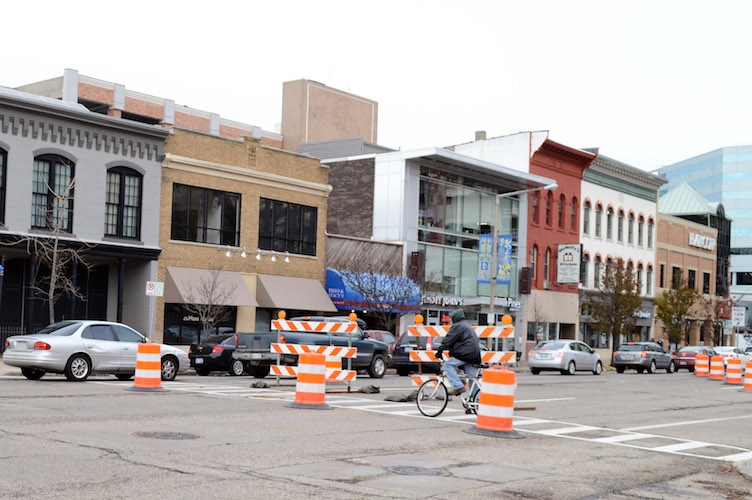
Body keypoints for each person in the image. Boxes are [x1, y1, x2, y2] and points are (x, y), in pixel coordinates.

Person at [435, 309, 481, 396]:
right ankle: (475, 404)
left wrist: (440, 349)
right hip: (473, 355)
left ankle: (458, 386)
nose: (451, 321)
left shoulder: (458, 326)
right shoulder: (466, 325)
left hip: (466, 354)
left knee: (448, 365)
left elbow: (449, 338)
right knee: (472, 379)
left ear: (455, 318)